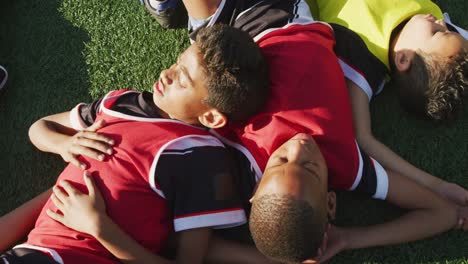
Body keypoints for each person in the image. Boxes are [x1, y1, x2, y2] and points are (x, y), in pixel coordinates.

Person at [48, 0, 467, 263]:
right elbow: (442, 214)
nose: (299, 147)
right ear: (332, 201)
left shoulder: (234, 157)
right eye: (310, 167)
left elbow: (204, 246)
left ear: (256, 186)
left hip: (223, 43)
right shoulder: (348, 164)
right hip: (278, 11)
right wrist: (348, 240)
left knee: (204, 34)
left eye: (281, 161)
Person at [0, 24, 270, 264]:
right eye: (177, 63)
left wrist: (100, 228)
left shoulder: (199, 155)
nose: (168, 73)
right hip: (33, 251)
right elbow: (39, 128)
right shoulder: (120, 103)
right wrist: (64, 145)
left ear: (210, 115)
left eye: (183, 80)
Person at [303, 0, 468, 207]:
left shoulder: (363, 55)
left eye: (437, 31)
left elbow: (363, 138)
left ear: (403, 59)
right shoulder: (437, 35)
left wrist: (437, 185)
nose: (442, 22)